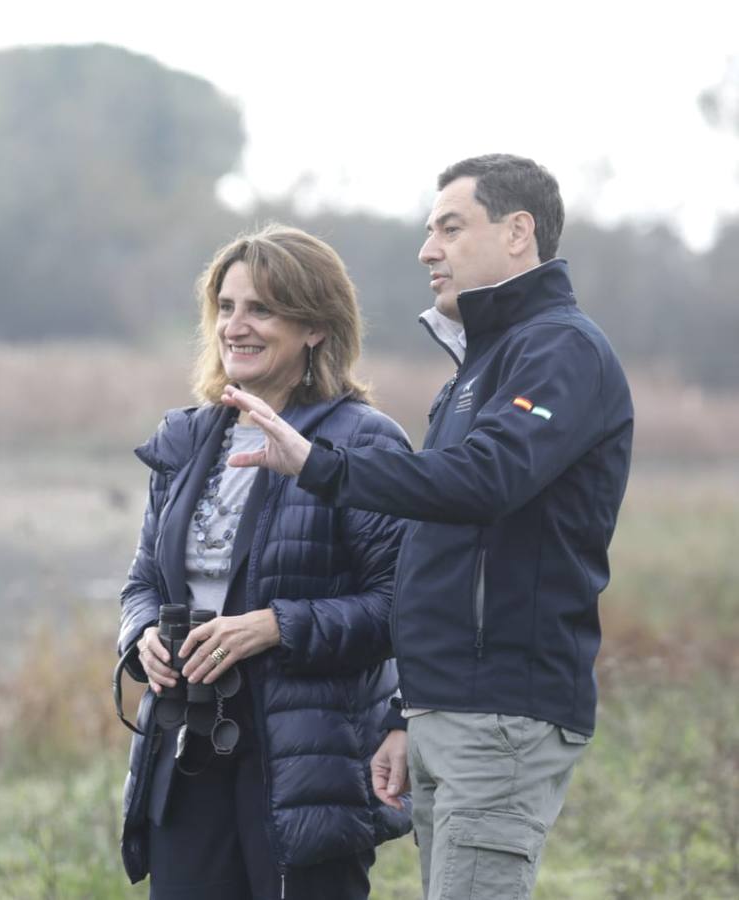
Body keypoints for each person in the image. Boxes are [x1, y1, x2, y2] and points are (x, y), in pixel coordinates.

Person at [221, 154, 634, 900]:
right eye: (428, 230)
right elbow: (436, 555)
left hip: (501, 709)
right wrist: (406, 710)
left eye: (449, 227)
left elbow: (485, 481)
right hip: (451, 707)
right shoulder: (479, 369)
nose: (427, 250)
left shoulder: (560, 351)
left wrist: (323, 465)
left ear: (518, 233)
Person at [116, 225, 412, 899]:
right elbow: (141, 583)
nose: (236, 326)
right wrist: (140, 640)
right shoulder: (187, 438)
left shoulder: (361, 441)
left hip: (304, 763)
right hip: (186, 744)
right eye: (226, 307)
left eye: (262, 309)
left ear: (314, 327)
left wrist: (275, 626)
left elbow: (403, 607)